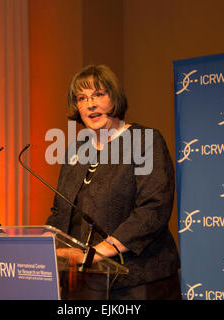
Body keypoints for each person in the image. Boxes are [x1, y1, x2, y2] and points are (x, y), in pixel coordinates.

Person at [46, 64, 181, 300]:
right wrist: (44, 247)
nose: (90, 104)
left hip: (139, 281)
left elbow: (154, 208)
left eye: (99, 94)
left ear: (114, 98)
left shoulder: (144, 141)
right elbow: (61, 211)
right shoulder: (75, 150)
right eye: (82, 98)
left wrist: (99, 251)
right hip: (84, 283)